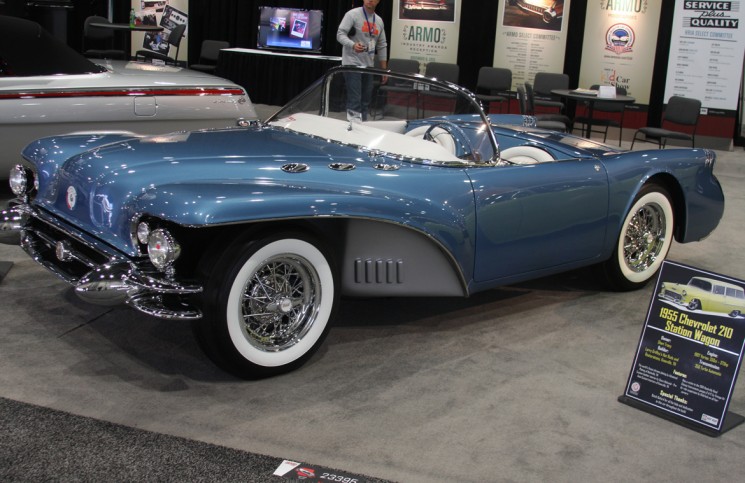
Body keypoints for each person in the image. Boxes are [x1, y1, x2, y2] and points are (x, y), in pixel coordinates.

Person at [336, 0, 388, 121]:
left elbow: (382, 45)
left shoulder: (379, 20)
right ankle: (353, 128)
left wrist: (384, 70)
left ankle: (362, 127)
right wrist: (353, 45)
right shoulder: (352, 14)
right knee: (355, 100)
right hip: (352, 64)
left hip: (368, 66)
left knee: (365, 101)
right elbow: (340, 34)